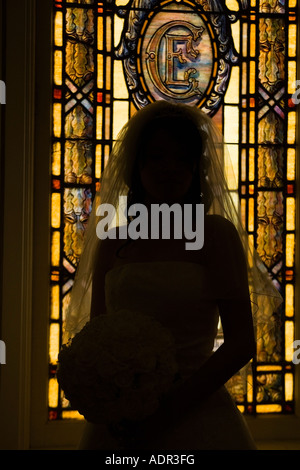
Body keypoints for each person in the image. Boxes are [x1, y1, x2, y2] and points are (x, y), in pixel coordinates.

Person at [61, 100, 282, 450]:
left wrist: (167, 412)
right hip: (123, 421)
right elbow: (97, 332)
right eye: (158, 157)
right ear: (138, 166)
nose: (170, 168)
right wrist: (111, 396)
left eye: (182, 159)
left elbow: (241, 344)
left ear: (197, 169)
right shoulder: (114, 242)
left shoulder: (215, 235)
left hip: (198, 414)